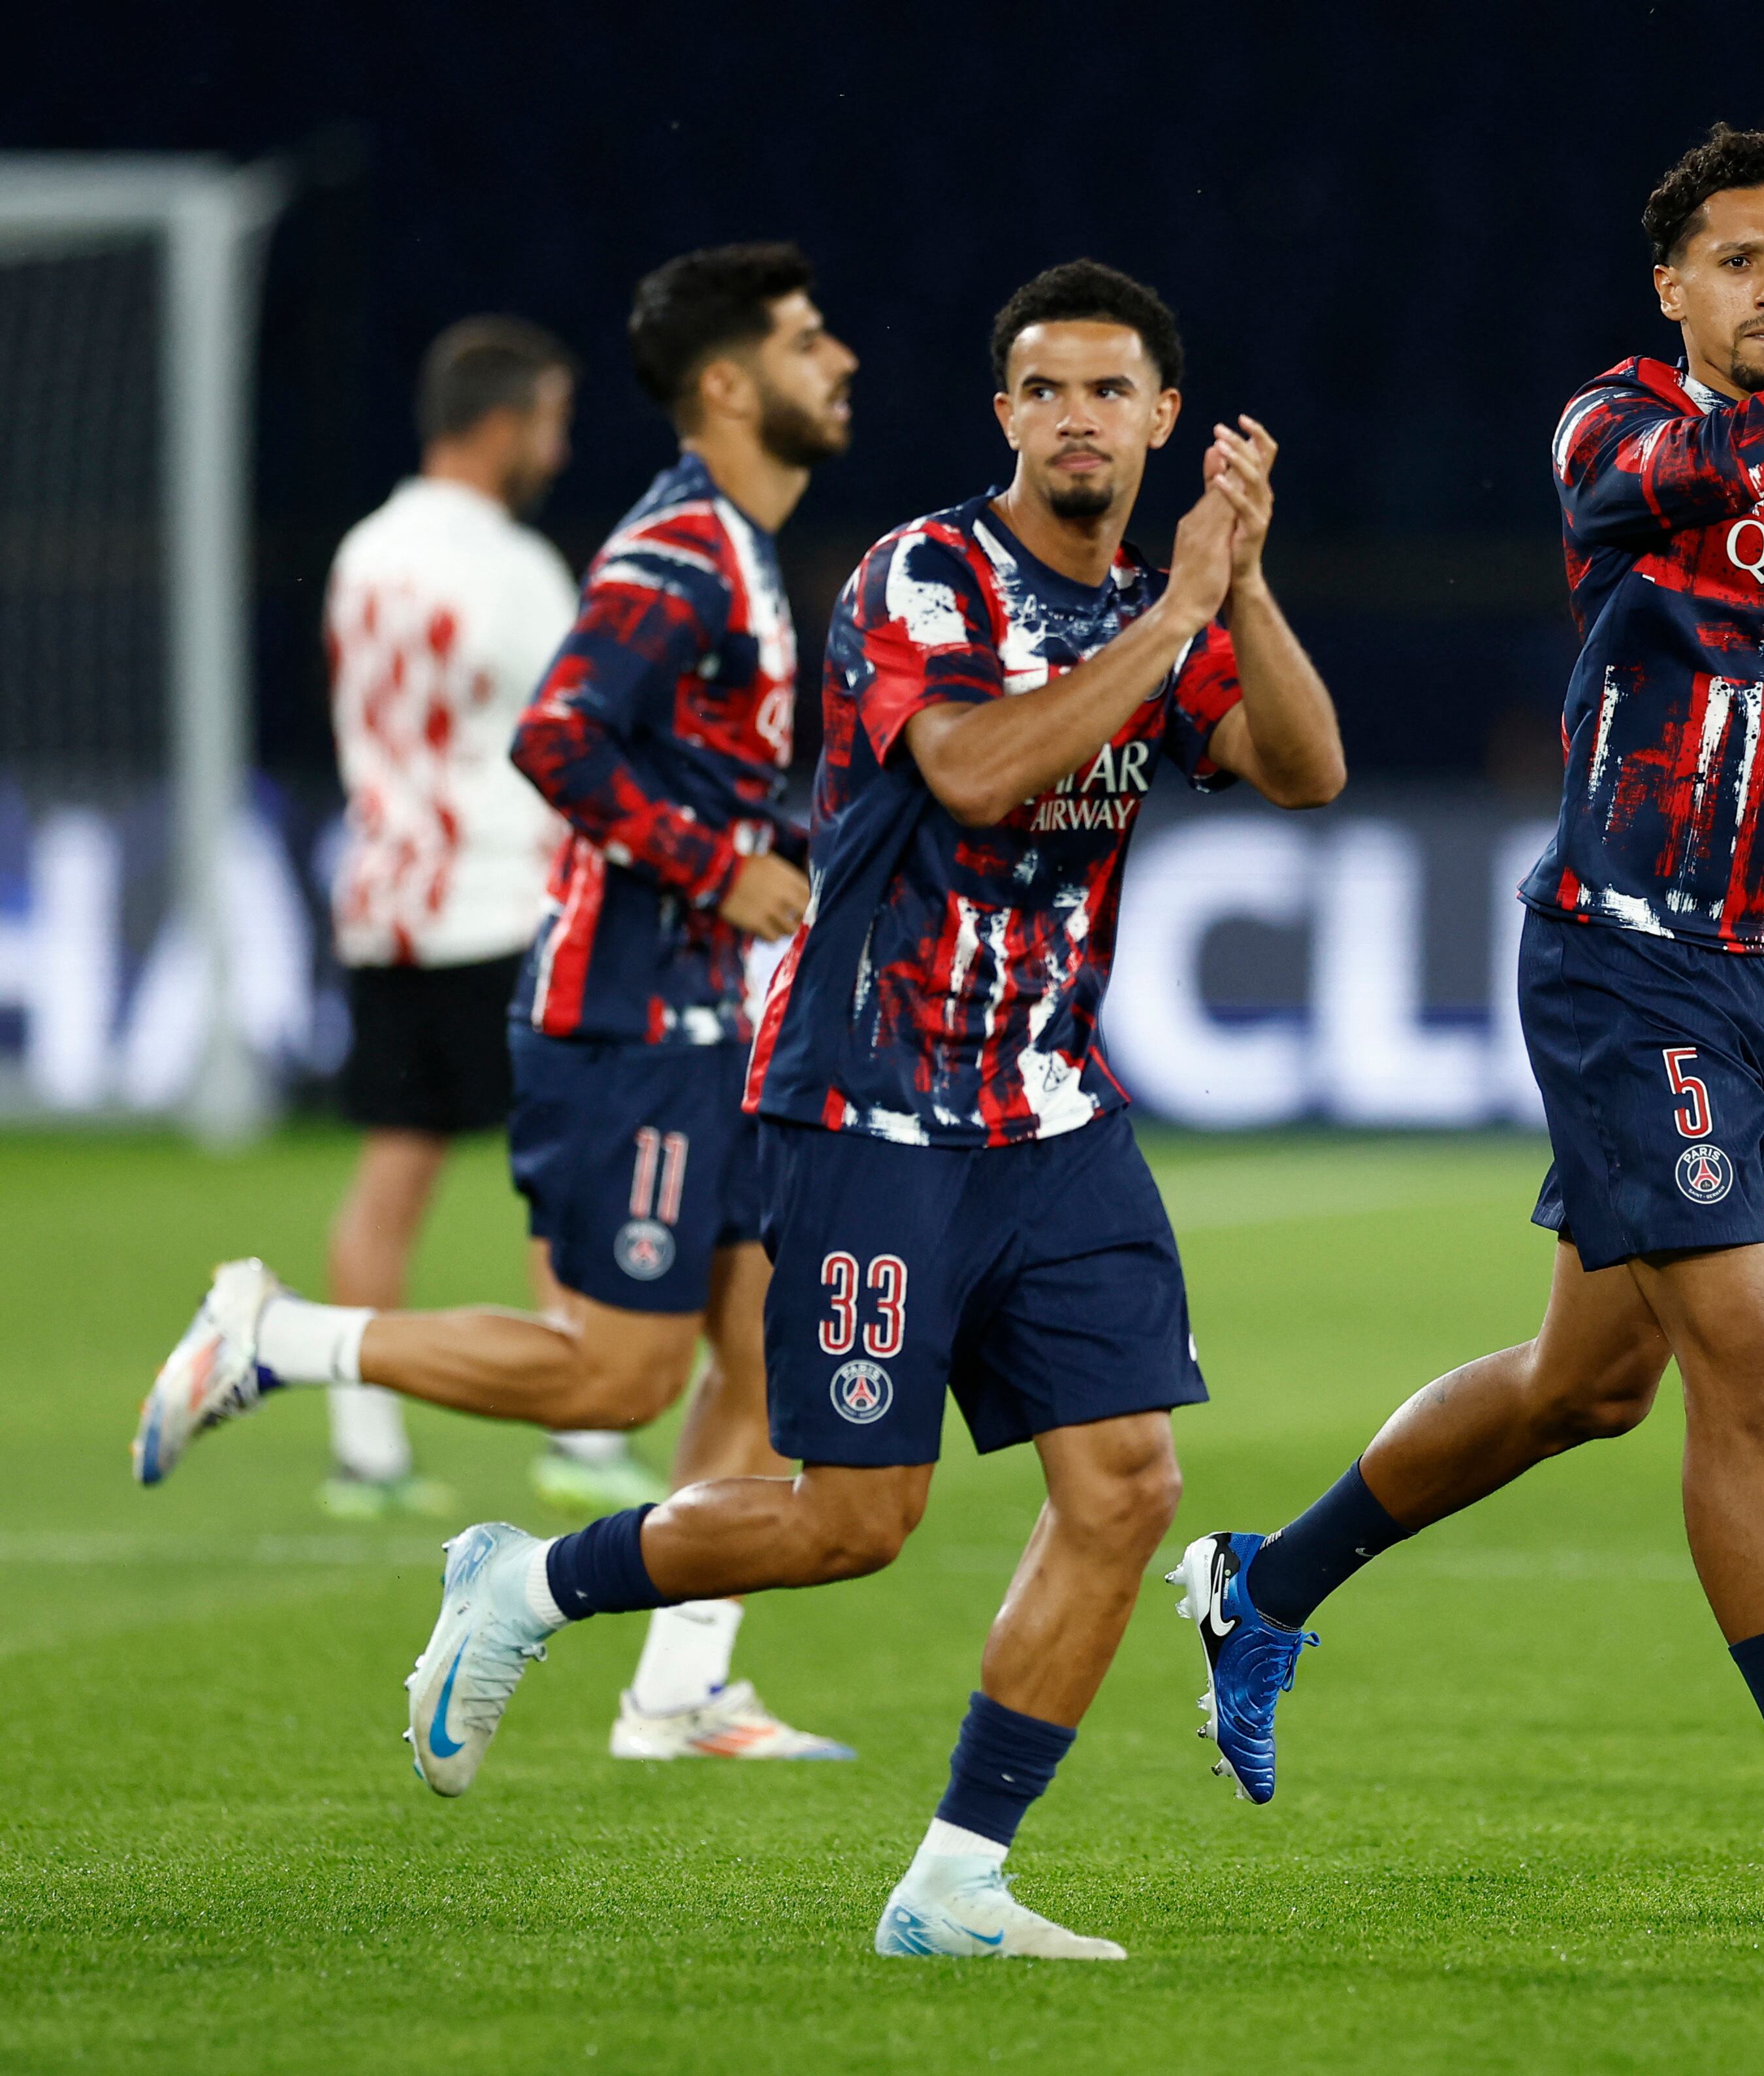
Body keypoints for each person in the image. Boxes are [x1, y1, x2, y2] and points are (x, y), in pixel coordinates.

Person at [1167, 118, 1764, 1917]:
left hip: (1762, 961)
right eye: (1742, 263)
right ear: (1667, 286)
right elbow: (1749, 451)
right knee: (1751, 1375)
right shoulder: (1618, 428)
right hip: (1626, 952)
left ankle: (1258, 1586)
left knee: (1582, 1386)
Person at [394, 259, 1336, 1961]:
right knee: (852, 1520)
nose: (1075, 417)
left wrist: (1241, 586)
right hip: (871, 1100)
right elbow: (973, 770)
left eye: (1109, 390)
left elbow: (1304, 767)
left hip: (1052, 1104)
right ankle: (526, 1585)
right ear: (1003, 416)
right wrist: (1179, 615)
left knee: (1124, 1483)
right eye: (1043, 388)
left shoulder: (1156, 598)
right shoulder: (927, 572)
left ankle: (954, 1879)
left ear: (1161, 419)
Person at [138, 243, 860, 1765]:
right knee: (615, 1369)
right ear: (729, 385)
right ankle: (282, 1337)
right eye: (807, 343)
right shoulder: (679, 556)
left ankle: (679, 1685)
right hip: (628, 1010)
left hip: (699, 1004)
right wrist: (717, 864)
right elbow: (557, 736)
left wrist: (783, 860)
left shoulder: (733, 543)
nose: (840, 361)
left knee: (765, 1339)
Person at [315, 314, 668, 1525]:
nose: (560, 451)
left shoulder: (364, 551)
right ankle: (578, 1424)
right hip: (503, 896)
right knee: (565, 1175)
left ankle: (364, 1447)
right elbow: (577, 731)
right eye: (555, 422)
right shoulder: (512, 567)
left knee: (393, 1168)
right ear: (507, 423)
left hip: (386, 896)